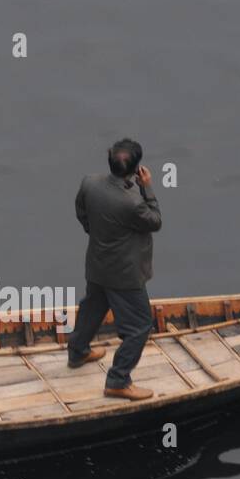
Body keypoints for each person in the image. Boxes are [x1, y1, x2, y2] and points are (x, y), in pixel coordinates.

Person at [66, 138, 161, 401]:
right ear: (137, 169)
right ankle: (118, 380)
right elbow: (155, 221)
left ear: (109, 160)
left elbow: (81, 213)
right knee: (140, 326)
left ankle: (78, 350)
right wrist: (148, 188)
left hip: (97, 262)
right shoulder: (133, 203)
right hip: (125, 274)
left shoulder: (89, 183)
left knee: (93, 306)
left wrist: (94, 232)